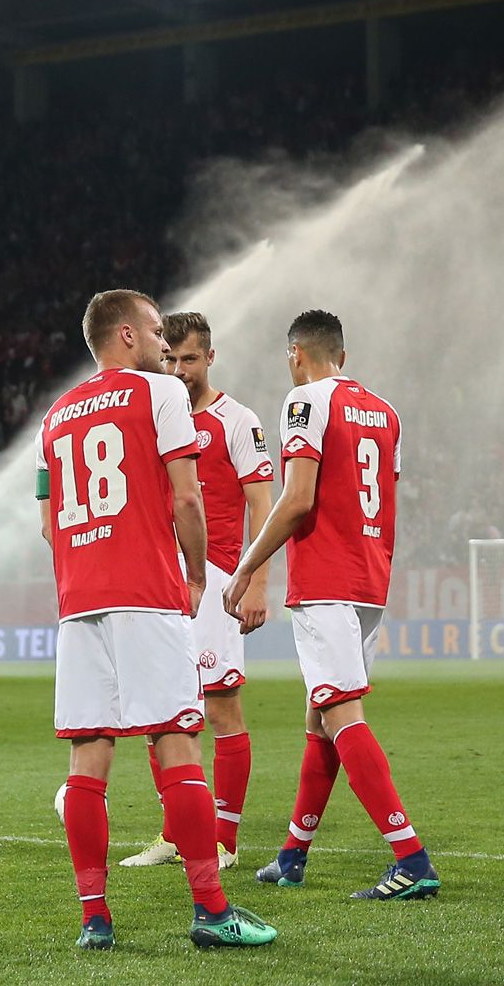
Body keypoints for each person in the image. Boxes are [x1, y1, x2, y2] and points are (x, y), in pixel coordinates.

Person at [35, 289, 276, 951]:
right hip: (147, 593)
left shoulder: (54, 416)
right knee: (178, 744)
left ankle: (94, 920)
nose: (163, 344)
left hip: (79, 603)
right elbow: (188, 497)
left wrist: (82, 572)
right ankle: (212, 910)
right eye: (151, 330)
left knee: (88, 760)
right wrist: (196, 574)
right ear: (125, 336)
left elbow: (46, 520)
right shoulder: (161, 395)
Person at [224, 309, 439, 901]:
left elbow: (297, 500)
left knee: (342, 714)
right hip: (370, 579)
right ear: (341, 355)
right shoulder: (386, 413)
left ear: (296, 354)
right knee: (321, 717)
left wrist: (247, 565)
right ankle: (293, 853)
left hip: (324, 579)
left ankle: (411, 859)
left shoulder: (305, 403)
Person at [122, 312, 276, 870]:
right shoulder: (155, 414)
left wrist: (256, 580)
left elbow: (264, 503)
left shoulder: (237, 420)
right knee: (162, 710)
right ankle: (174, 834)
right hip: (162, 583)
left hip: (216, 582)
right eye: (170, 359)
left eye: (189, 359)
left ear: (210, 358)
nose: (178, 369)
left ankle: (224, 841)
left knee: (220, 709)